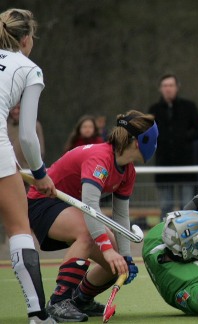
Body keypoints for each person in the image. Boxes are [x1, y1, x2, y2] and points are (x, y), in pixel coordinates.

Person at [27, 110, 158, 322]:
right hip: (43, 202)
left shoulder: (127, 171)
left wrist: (124, 255)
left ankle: (81, 299)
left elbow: (120, 216)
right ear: (137, 141)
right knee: (89, 235)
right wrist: (106, 249)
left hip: (73, 207)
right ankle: (59, 301)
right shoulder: (101, 158)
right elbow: (90, 205)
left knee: (115, 263)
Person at [0, 8, 57, 324]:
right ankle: (38, 314)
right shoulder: (28, 68)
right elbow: (28, 136)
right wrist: (39, 174)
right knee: (19, 229)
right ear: (25, 39)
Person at [148, 74, 198, 218]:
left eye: (171, 85)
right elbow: (147, 134)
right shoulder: (154, 109)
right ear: (160, 89)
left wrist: (183, 137)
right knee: (165, 205)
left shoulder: (189, 107)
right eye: (165, 86)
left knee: (187, 205)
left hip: (186, 166)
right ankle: (164, 235)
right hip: (163, 166)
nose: (168, 89)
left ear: (177, 87)